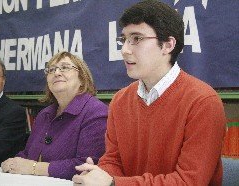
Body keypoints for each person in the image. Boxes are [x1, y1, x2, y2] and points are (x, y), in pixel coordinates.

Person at [73, 0, 226, 185]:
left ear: (168, 45)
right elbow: (113, 160)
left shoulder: (203, 102)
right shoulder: (120, 100)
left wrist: (113, 183)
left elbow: (189, 181)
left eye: (136, 39)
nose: (124, 50)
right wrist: (99, 173)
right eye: (124, 40)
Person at [1, 51, 108, 180]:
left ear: (82, 78)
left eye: (65, 67)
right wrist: (12, 162)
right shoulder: (44, 114)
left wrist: (34, 168)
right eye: (51, 70)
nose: (56, 73)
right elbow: (28, 154)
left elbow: (86, 165)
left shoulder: (96, 112)